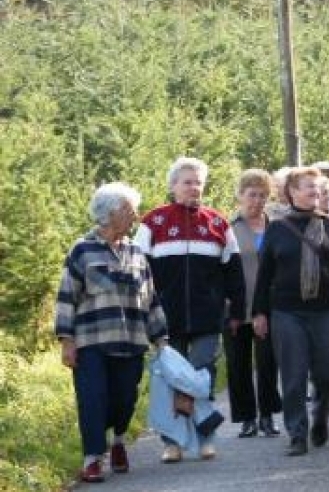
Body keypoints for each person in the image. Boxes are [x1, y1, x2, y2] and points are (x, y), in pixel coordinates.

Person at [135, 156, 246, 463]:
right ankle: (172, 443)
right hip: (164, 318)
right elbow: (137, 271)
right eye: (187, 182)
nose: (194, 187)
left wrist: (236, 311)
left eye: (198, 182)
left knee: (200, 373)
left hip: (208, 316)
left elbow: (234, 272)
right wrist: (142, 312)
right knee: (172, 378)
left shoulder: (218, 223)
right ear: (173, 186)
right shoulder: (152, 222)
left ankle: (205, 437)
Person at [55, 182, 168, 483]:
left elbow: (151, 297)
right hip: (92, 341)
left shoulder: (135, 251)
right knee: (93, 398)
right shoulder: (82, 250)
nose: (136, 216)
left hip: (131, 341)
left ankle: (118, 441)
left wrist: (161, 338)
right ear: (111, 213)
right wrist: (67, 341)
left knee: (124, 400)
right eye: (130, 211)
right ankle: (92, 458)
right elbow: (67, 296)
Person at [252, 167, 329, 457]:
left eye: (317, 187)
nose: (315, 192)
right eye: (308, 187)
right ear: (292, 192)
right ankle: (297, 433)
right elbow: (263, 275)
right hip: (286, 312)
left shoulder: (328, 225)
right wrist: (259, 313)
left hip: (326, 311)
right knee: (294, 374)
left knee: (326, 375)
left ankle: (322, 415)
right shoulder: (276, 228)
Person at [223, 169, 284, 439]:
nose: (257, 201)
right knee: (238, 364)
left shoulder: (276, 226)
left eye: (262, 195)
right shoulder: (227, 228)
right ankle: (246, 417)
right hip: (236, 306)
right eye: (252, 195)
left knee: (268, 362)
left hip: (269, 307)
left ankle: (267, 415)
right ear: (240, 195)